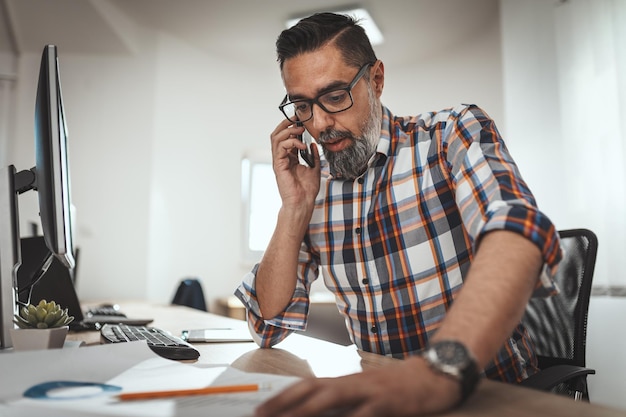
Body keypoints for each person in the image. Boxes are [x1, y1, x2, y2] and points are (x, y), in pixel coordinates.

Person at [235, 12, 562, 417]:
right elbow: (266, 325)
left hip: (490, 395)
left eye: (335, 97)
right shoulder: (313, 188)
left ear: (376, 80)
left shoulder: (450, 134)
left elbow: (516, 229)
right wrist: (294, 208)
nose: (318, 124)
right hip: (387, 399)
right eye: (302, 106)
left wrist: (438, 371)